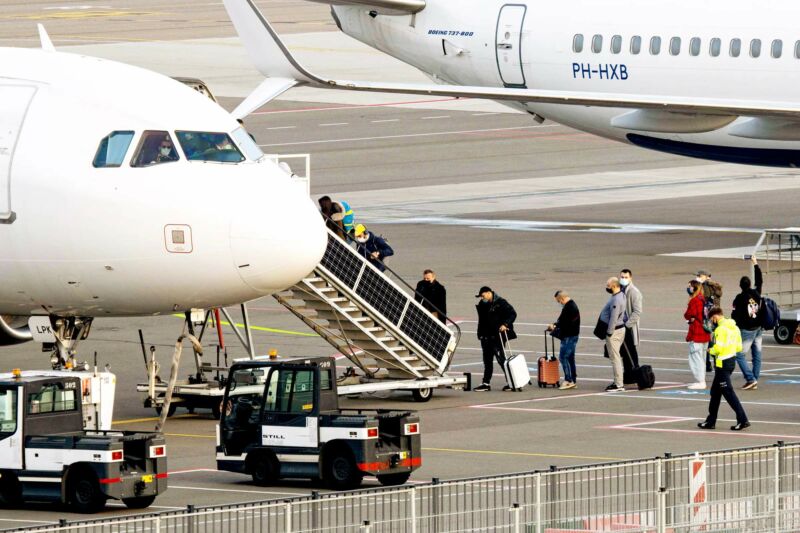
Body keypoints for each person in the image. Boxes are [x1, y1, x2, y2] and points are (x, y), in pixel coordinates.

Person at [697, 308, 750, 431]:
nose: (712, 322)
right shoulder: (734, 327)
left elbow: (719, 348)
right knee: (715, 392)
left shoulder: (720, 330)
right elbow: (738, 347)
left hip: (722, 364)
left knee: (728, 393)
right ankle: (711, 420)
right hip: (731, 361)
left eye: (712, 320)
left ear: (715, 317)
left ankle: (743, 419)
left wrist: (711, 350)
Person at [474, 287, 517, 392]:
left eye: (483, 295)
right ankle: (486, 383)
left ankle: (511, 382)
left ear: (489, 293)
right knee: (487, 360)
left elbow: (512, 314)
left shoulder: (501, 302)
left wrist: (505, 324)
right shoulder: (482, 304)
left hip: (497, 336)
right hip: (485, 336)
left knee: (501, 359)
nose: (482, 298)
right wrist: (480, 334)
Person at [732, 257, 764, 390]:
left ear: (740, 286)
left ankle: (750, 379)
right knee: (757, 354)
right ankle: (754, 379)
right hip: (758, 327)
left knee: (739, 354)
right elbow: (760, 280)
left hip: (748, 329)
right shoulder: (756, 293)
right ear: (749, 284)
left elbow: (735, 315)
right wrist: (755, 264)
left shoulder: (740, 298)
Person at [547, 290, 580, 390]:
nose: (559, 303)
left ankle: (569, 380)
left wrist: (555, 327)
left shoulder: (569, 307)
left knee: (563, 357)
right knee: (570, 358)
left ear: (562, 298)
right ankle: (572, 379)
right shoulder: (570, 305)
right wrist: (555, 324)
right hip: (572, 335)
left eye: (558, 301)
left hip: (569, 336)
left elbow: (563, 322)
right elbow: (561, 320)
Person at [600, 277, 627, 392]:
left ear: (614, 286)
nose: (607, 287)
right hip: (620, 329)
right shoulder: (620, 295)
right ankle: (618, 382)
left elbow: (614, 317)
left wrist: (609, 332)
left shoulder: (616, 299)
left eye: (608, 285)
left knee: (615, 358)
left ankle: (619, 384)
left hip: (615, 331)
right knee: (615, 357)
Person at [684, 279, 711, 389]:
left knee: (695, 357)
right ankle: (701, 379)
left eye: (689, 286)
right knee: (702, 357)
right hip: (705, 332)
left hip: (697, 332)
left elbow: (688, 314)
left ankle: (700, 381)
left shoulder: (694, 301)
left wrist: (691, 318)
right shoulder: (703, 299)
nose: (688, 288)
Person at [619, 269, 643, 383]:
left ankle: (635, 374)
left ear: (630, 278)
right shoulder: (619, 290)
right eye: (622, 277)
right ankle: (628, 375)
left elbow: (637, 312)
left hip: (628, 327)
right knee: (624, 352)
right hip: (619, 326)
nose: (623, 279)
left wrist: (627, 325)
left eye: (626, 277)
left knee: (631, 351)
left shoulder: (634, 292)